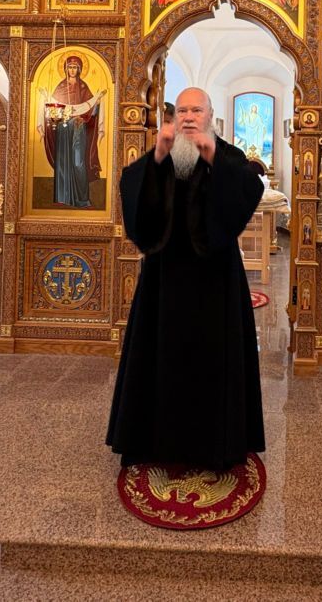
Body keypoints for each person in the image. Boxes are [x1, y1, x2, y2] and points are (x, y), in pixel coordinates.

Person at [107, 87, 265, 470]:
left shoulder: (227, 155)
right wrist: (157, 156)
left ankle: (216, 447)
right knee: (158, 357)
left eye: (196, 110)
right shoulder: (165, 153)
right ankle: (154, 442)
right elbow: (132, 188)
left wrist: (212, 157)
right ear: (174, 117)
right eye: (182, 111)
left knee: (213, 365)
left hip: (216, 280)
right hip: (164, 278)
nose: (189, 117)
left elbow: (250, 189)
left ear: (210, 115)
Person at [42, 55, 105, 207]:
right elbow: (52, 111)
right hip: (63, 129)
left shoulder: (83, 87)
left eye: (75, 67)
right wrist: (46, 99)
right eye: (69, 67)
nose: (72, 70)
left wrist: (96, 103)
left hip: (78, 128)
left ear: (79, 70)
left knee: (78, 162)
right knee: (63, 161)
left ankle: (82, 200)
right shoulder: (60, 87)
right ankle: (63, 199)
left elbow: (91, 109)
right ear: (65, 69)